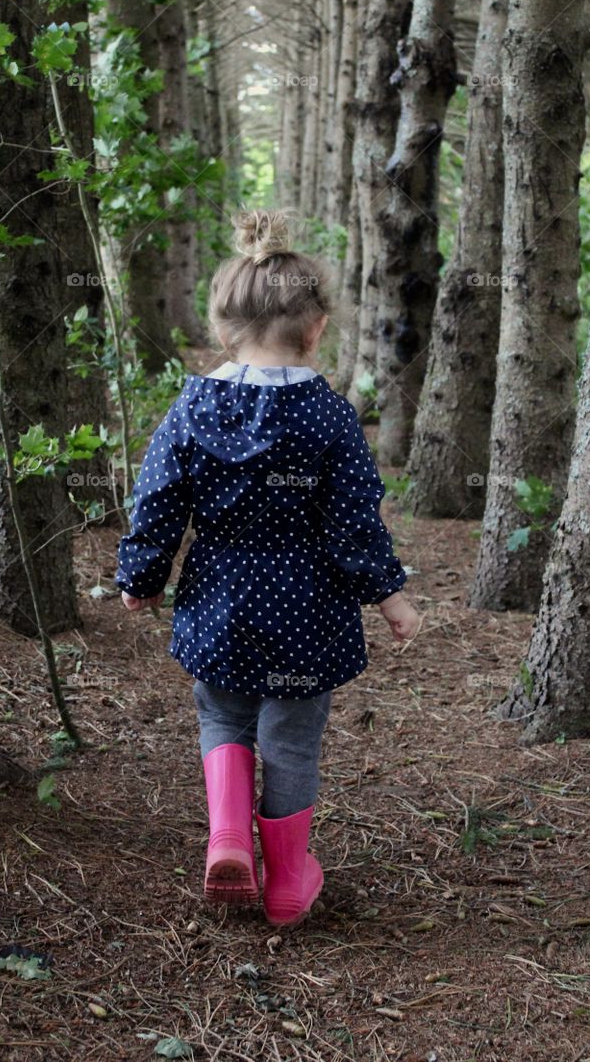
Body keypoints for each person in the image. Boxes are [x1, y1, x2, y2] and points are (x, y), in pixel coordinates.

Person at [115, 208, 422, 926]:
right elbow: (354, 521)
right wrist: (390, 596)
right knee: (291, 738)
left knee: (223, 712)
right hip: (306, 607)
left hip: (220, 597)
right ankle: (286, 881)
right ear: (316, 329)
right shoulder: (330, 416)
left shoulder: (191, 407)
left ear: (223, 329)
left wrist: (141, 576)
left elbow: (158, 498)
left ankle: (228, 834)